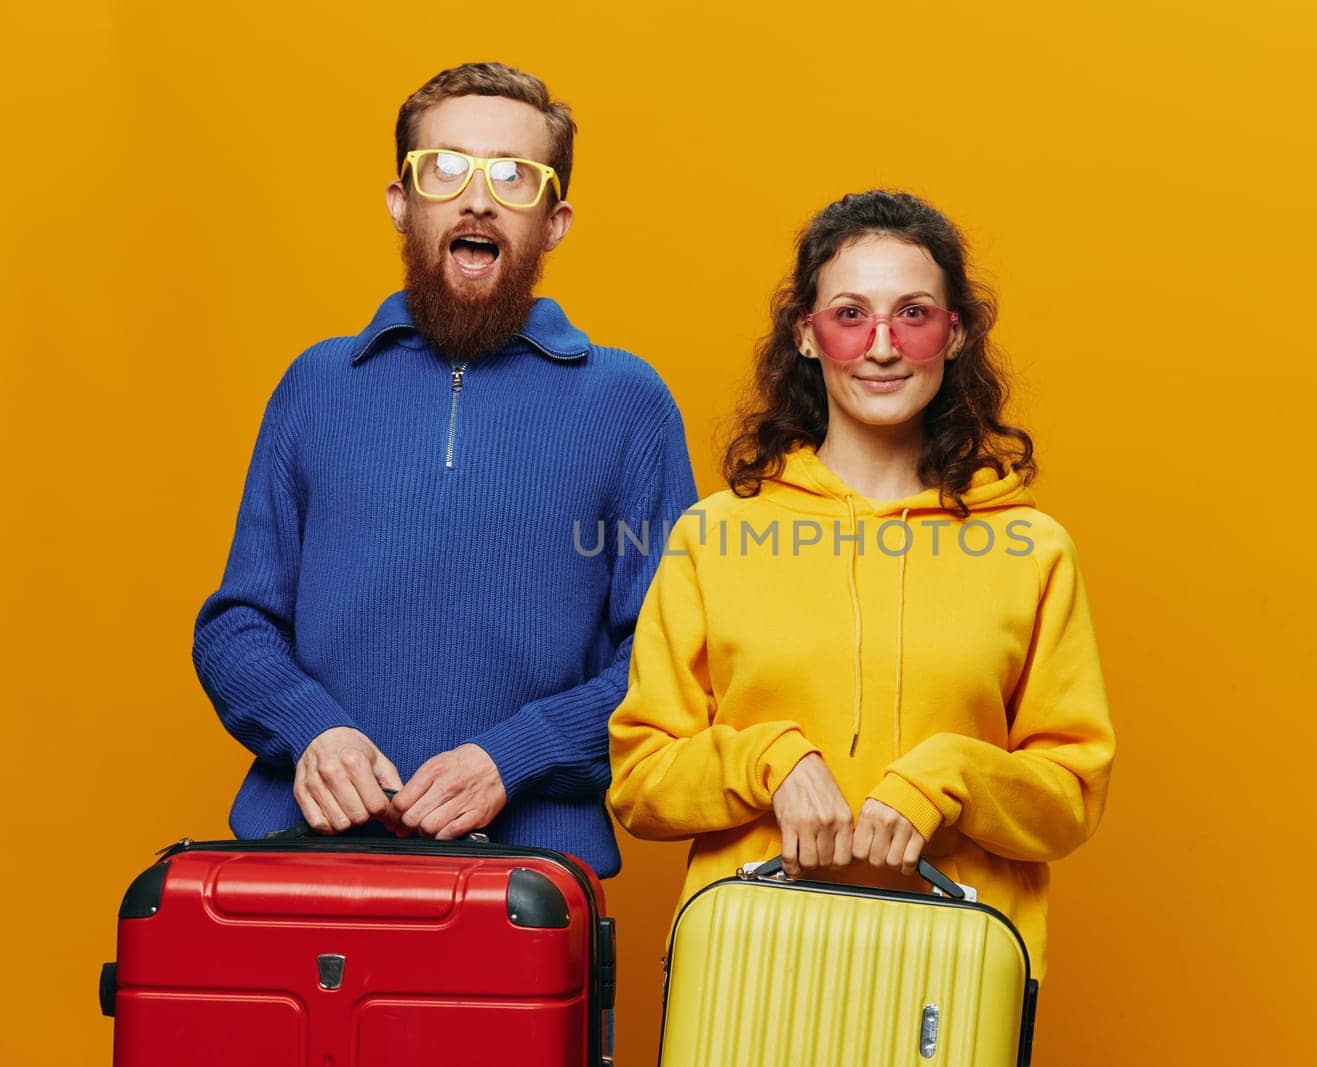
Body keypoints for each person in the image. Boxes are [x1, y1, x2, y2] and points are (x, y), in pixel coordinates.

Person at [194, 63, 696, 876]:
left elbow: (669, 659)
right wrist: (311, 728)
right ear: (402, 202)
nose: (477, 197)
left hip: (528, 878)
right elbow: (236, 624)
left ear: (554, 220)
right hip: (303, 866)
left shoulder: (628, 404)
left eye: (513, 176)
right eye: (446, 168)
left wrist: (515, 755)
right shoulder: (316, 386)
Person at [608, 190, 1114, 977]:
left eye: (912, 314)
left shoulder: (1031, 547)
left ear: (956, 334)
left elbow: (1072, 794)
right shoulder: (712, 535)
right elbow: (640, 782)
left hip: (954, 974)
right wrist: (765, 762)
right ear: (808, 337)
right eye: (851, 315)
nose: (882, 345)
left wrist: (949, 778)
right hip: (751, 962)